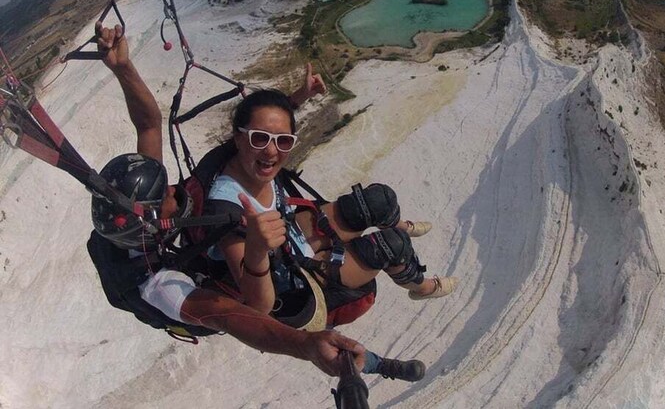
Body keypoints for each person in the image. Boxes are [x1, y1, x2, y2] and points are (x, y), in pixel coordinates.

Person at [89, 21, 424, 381]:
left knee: (374, 206)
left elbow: (149, 125)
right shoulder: (163, 288)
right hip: (284, 292)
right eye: (167, 195)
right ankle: (380, 358)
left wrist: (123, 67)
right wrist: (304, 344)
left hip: (287, 250)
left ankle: (398, 240)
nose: (174, 189)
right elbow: (241, 316)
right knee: (387, 248)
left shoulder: (142, 199)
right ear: (154, 220)